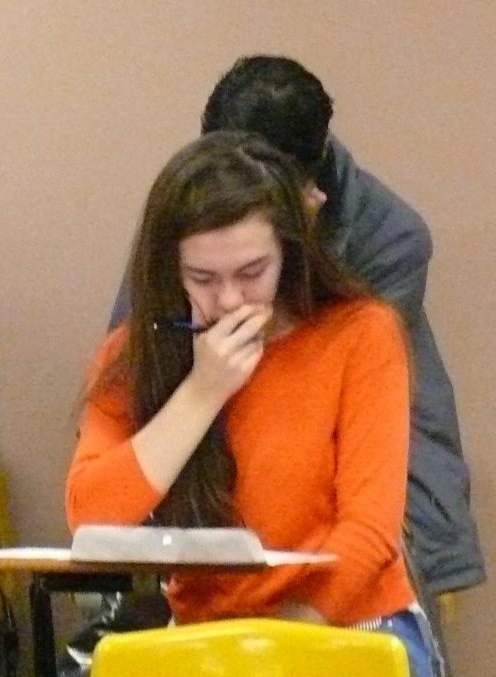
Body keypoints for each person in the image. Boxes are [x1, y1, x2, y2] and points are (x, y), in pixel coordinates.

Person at [108, 55, 484, 597]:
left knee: (378, 552)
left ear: (311, 175)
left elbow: (318, 366)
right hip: (218, 418)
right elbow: (137, 359)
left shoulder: (392, 237)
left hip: (363, 427)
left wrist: (298, 243)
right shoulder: (193, 226)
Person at [67, 131, 438, 677]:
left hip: (345, 622)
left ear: (289, 253)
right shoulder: (133, 353)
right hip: (206, 638)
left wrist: (270, 648)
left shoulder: (361, 333)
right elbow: (91, 515)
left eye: (251, 273)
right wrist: (202, 391)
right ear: (170, 271)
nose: (231, 301)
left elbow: (368, 531)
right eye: (203, 279)